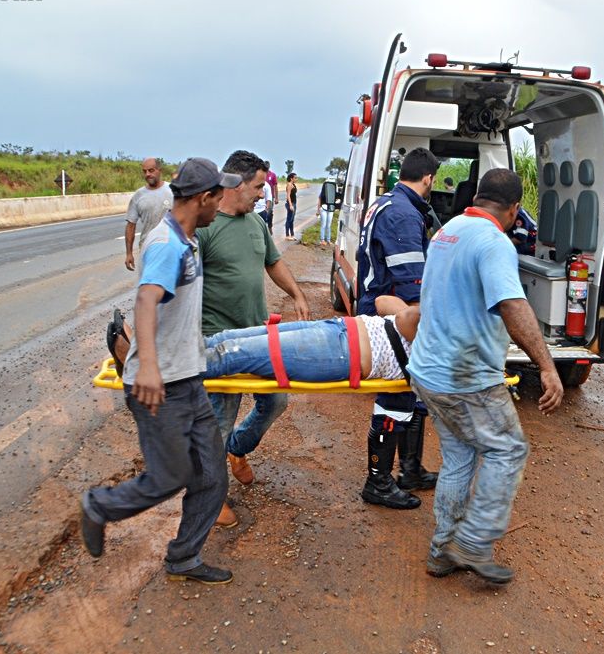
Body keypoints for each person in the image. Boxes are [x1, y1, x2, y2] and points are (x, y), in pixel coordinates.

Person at [81, 158, 243, 586]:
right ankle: (101, 507)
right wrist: (149, 366)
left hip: (188, 379)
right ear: (203, 199)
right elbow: (146, 301)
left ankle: (184, 557)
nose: (222, 202)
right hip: (159, 387)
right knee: (168, 478)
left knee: (211, 477)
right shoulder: (166, 245)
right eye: (219, 195)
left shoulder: (187, 240)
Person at [408, 168, 564, 585]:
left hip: (427, 370)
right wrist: (547, 367)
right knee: (508, 450)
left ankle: (443, 551)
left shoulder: (449, 231)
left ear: (477, 196)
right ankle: (473, 544)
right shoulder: (495, 242)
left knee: (460, 457)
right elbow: (513, 306)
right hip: (464, 378)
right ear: (514, 209)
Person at [197, 150, 310, 526]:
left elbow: (273, 262)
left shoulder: (257, 223)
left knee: (275, 402)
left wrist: (296, 294)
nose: (264, 194)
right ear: (236, 183)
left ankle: (238, 449)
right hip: (221, 344)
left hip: (259, 338)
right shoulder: (206, 227)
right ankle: (213, 499)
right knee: (218, 421)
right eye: (259, 186)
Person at [355, 147, 441, 510]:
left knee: (411, 393)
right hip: (390, 313)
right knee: (395, 397)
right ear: (428, 179)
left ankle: (410, 471)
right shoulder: (405, 214)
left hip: (383, 306)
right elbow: (412, 282)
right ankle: (378, 481)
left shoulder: (387, 202)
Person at [111, 295, 419, 384]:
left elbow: (402, 316)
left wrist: (416, 309)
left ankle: (140, 369)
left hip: (342, 354)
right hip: (339, 332)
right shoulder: (439, 320)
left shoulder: (448, 336)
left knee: (230, 353)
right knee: (225, 338)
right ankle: (145, 350)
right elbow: (381, 301)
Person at [124, 158, 173, 272]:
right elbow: (131, 225)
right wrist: (129, 253)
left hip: (171, 246)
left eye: (151, 170)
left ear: (159, 170)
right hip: (148, 248)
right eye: (144, 171)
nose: (148, 174)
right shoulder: (138, 195)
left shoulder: (172, 191)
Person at [317, 178, 338, 245]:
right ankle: (322, 240)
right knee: (324, 225)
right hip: (324, 208)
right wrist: (318, 210)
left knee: (328, 225)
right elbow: (319, 200)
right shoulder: (323, 192)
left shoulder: (333, 192)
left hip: (330, 208)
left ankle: (328, 240)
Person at [265, 161, 279, 235]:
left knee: (269, 212)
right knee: (262, 212)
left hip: (270, 197)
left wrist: (276, 198)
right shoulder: (261, 174)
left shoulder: (273, 175)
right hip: (261, 198)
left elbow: (275, 187)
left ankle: (270, 226)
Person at [284, 172, 298, 241]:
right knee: (289, 220)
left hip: (294, 203)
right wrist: (290, 205)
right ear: (291, 178)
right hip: (291, 204)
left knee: (292, 220)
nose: (296, 179)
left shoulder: (293, 184)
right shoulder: (289, 185)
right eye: (295, 178)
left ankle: (292, 235)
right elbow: (288, 196)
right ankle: (287, 235)